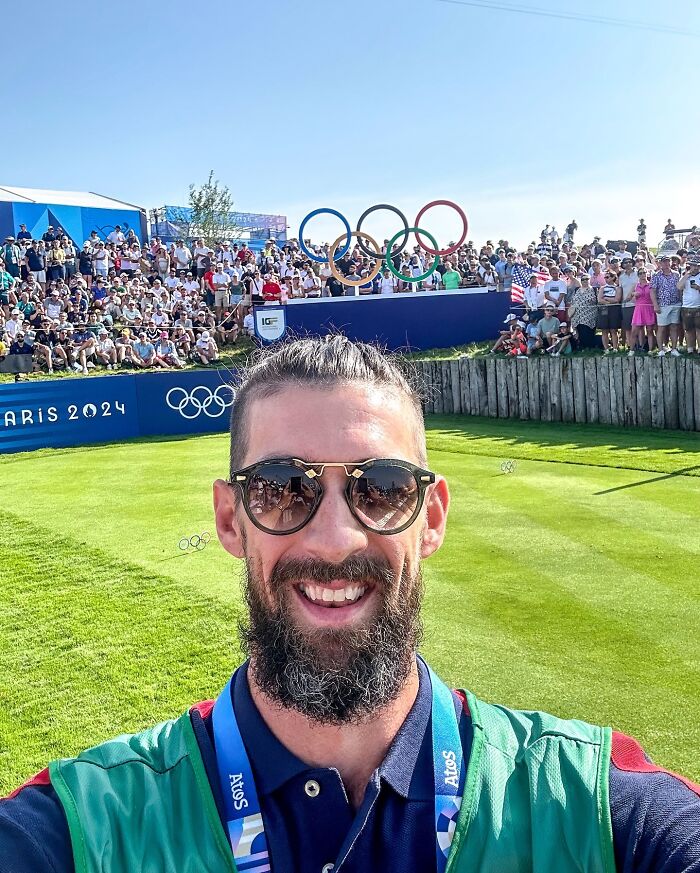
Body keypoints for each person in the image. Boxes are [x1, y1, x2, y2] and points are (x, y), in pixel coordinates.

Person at [3, 336, 698, 873]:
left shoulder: (588, 805)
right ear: (228, 516)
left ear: (430, 517)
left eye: (382, 487)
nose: (336, 539)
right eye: (282, 487)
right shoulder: (87, 823)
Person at [651, 255, 682, 357]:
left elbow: (680, 289)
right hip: (663, 305)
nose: (666, 263)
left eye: (668, 261)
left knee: (674, 327)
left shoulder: (676, 274)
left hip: (676, 304)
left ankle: (674, 348)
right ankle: (661, 350)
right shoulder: (656, 275)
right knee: (662, 328)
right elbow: (653, 291)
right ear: (660, 263)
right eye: (664, 262)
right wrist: (655, 305)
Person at [629, 268, 657, 356]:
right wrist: (633, 294)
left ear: (647, 273)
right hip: (639, 309)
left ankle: (650, 349)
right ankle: (631, 350)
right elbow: (628, 297)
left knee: (649, 330)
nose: (642, 275)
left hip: (649, 308)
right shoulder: (635, 285)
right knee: (634, 331)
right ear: (638, 275)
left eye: (644, 273)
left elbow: (655, 296)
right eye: (640, 273)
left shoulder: (651, 284)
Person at [678, 257, 700, 355]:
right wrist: (687, 275)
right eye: (693, 265)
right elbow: (679, 287)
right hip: (687, 307)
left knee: (699, 329)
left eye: (697, 266)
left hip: (698, 306)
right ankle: (690, 349)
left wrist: (698, 288)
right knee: (688, 329)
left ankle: (699, 349)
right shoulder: (685, 275)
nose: (695, 267)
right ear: (689, 266)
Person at [597, 271, 622, 354]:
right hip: (604, 309)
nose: (606, 279)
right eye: (605, 277)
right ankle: (606, 348)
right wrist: (610, 301)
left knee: (614, 330)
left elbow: (617, 299)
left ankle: (615, 348)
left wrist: (606, 299)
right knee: (604, 330)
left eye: (607, 277)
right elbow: (600, 300)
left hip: (614, 309)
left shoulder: (617, 288)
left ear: (613, 278)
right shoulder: (602, 288)